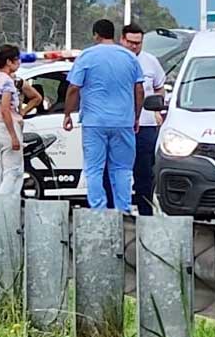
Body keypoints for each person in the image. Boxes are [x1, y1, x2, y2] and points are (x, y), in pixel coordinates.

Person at [63, 19, 144, 212]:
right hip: (123, 121)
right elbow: (139, 89)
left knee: (94, 168)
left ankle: (98, 210)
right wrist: (136, 116)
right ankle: (123, 210)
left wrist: (67, 114)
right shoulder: (129, 57)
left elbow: (74, 87)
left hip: (94, 122)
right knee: (122, 169)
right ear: (113, 35)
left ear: (95, 35)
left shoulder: (86, 56)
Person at [107, 23, 165, 215]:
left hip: (145, 125)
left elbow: (159, 87)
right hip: (118, 123)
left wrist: (157, 109)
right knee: (114, 170)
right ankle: (112, 212)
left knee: (144, 173)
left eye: (138, 43)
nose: (134, 46)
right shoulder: (113, 60)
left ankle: (145, 212)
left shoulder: (150, 62)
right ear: (122, 39)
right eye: (130, 42)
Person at [0, 45, 37, 195]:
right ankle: (5, 208)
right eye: (16, 59)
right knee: (13, 173)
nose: (19, 62)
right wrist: (14, 136)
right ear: (8, 62)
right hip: (6, 128)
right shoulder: (7, 82)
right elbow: (5, 110)